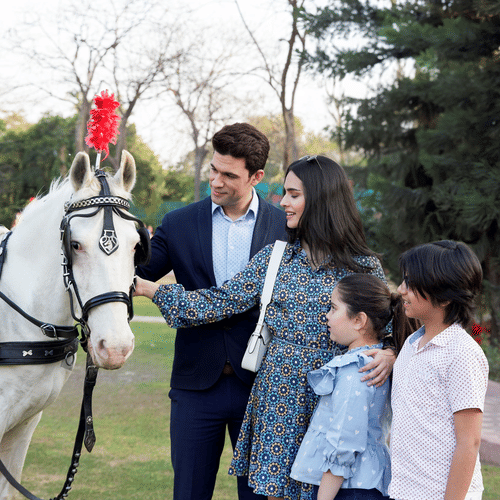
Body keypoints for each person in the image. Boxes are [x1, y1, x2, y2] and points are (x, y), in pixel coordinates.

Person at [136, 155, 397, 500]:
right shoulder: (276, 258)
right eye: (284, 193)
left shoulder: (363, 267)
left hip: (336, 405)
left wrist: (391, 351)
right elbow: (218, 302)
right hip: (279, 403)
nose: (283, 202)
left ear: (320, 199)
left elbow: (387, 322)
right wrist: (150, 288)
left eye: (293, 194)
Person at [135, 122, 287, 500]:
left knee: (260, 496)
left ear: (256, 176)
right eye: (213, 171)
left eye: (228, 175)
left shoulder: (286, 228)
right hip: (194, 386)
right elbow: (133, 276)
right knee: (188, 493)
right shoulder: (178, 223)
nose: (215, 182)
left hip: (262, 387)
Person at [290, 273, 412, 500]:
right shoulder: (374, 360)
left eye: (333, 309)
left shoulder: (355, 371)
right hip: (362, 483)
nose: (326, 316)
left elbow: (344, 442)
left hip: (351, 488)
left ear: (359, 320)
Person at [390, 240, 489, 500]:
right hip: (405, 491)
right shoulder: (412, 345)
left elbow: (469, 443)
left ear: (444, 296)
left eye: (410, 283)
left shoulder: (461, 353)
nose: (401, 290)